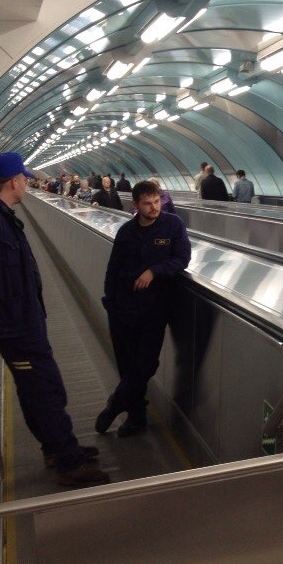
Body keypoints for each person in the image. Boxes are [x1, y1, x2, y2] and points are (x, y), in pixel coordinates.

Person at [0, 152, 108, 486]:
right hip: (14, 324)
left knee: (35, 389)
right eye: (24, 178)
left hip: (23, 318)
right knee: (45, 390)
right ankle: (69, 463)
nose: (27, 183)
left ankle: (57, 448)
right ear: (14, 182)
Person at [97, 179, 191, 437]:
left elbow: (182, 258)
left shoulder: (173, 225)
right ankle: (136, 417)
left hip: (154, 309)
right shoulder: (126, 232)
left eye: (157, 201)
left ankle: (116, 403)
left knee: (146, 364)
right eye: (147, 203)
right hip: (122, 308)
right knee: (128, 365)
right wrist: (110, 302)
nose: (154, 207)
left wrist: (154, 271)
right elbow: (113, 269)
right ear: (136, 205)